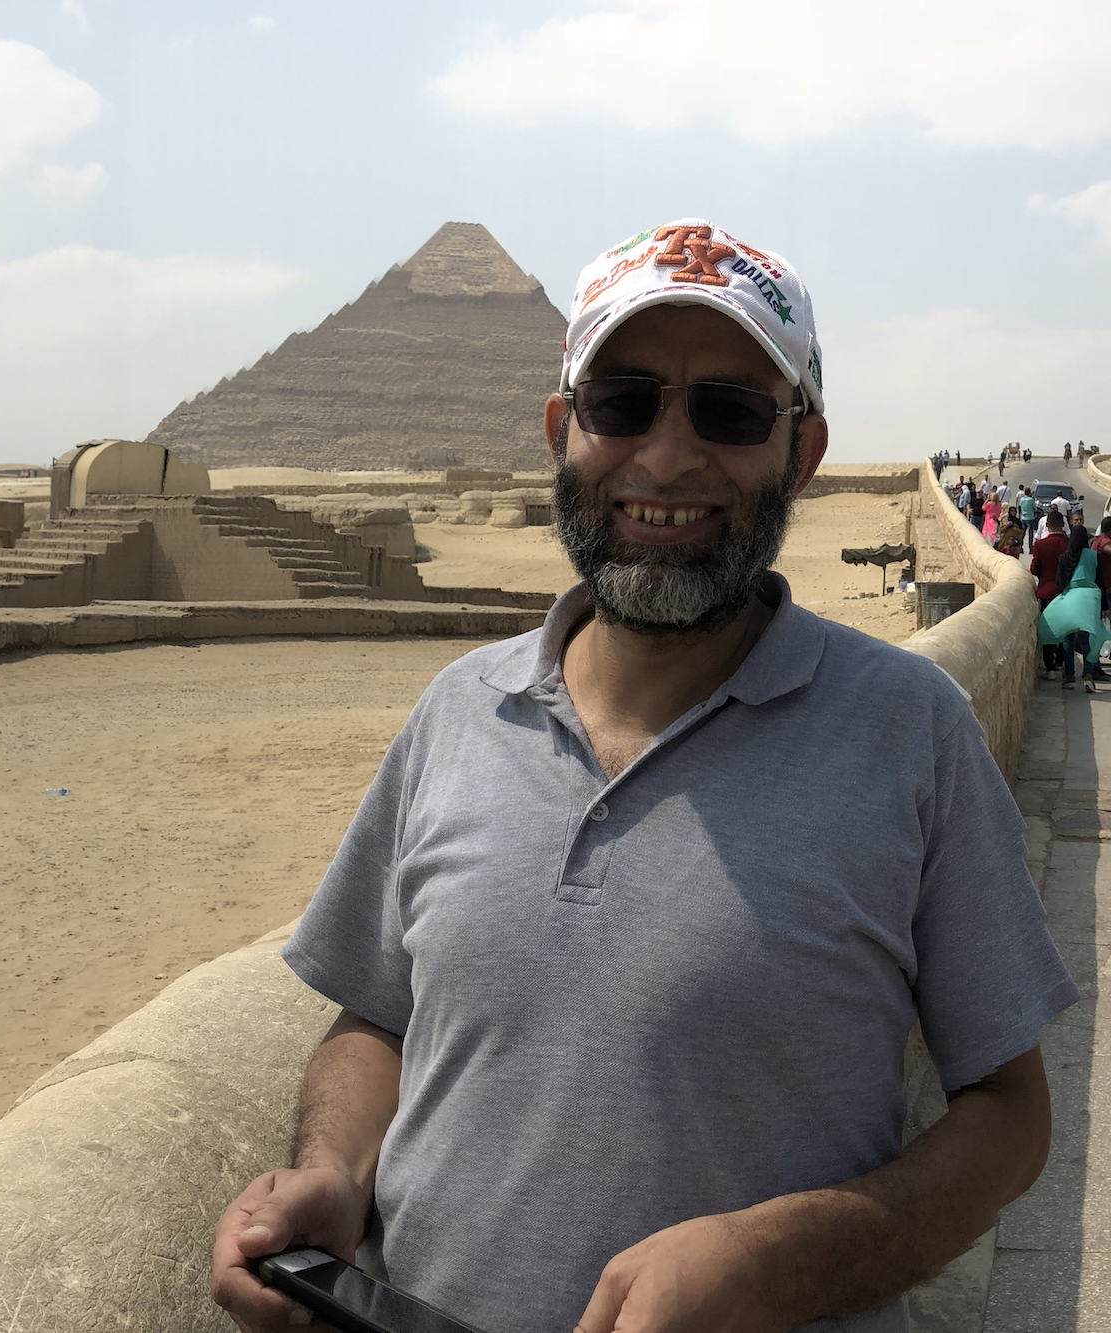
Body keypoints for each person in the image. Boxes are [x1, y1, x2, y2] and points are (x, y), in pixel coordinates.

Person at [211, 218, 1074, 1333]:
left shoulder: (911, 734)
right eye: (622, 402)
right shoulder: (456, 714)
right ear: (561, 428)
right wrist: (330, 1169)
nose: (665, 458)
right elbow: (378, 1018)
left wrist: (781, 1260)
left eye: (726, 411)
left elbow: (1009, 1116)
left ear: (800, 454)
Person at [1039, 546, 1106, 692]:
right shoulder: (1093, 555)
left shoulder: (1065, 556)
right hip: (1089, 600)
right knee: (1087, 639)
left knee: (1068, 640)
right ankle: (1088, 675)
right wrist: (1104, 605)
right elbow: (1100, 581)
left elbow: (1059, 580)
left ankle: (1070, 677)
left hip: (1070, 598)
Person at [1032, 514, 1074, 676]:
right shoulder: (1069, 545)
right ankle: (1062, 661)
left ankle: (1050, 666)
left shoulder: (1041, 544)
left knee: (1048, 629)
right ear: (1063, 525)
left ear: (1047, 525)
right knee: (1065, 630)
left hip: (1047, 592)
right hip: (1066, 593)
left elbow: (1035, 568)